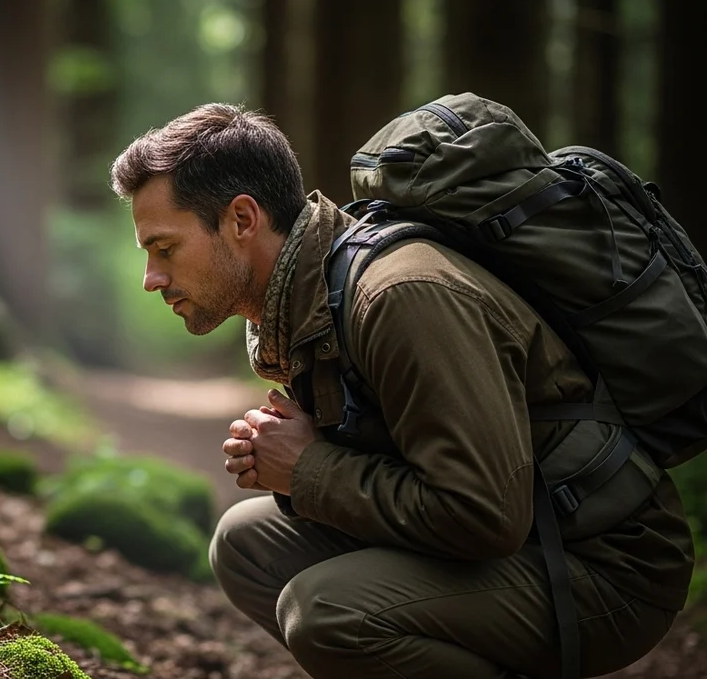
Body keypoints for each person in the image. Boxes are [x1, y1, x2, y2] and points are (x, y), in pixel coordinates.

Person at [107, 103, 694, 678]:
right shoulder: (308, 302)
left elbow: (483, 513)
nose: (151, 278)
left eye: (165, 248)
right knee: (246, 543)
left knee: (328, 613)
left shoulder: (398, 295)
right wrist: (291, 460)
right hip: (528, 540)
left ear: (241, 220)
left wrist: (308, 468)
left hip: (603, 563)